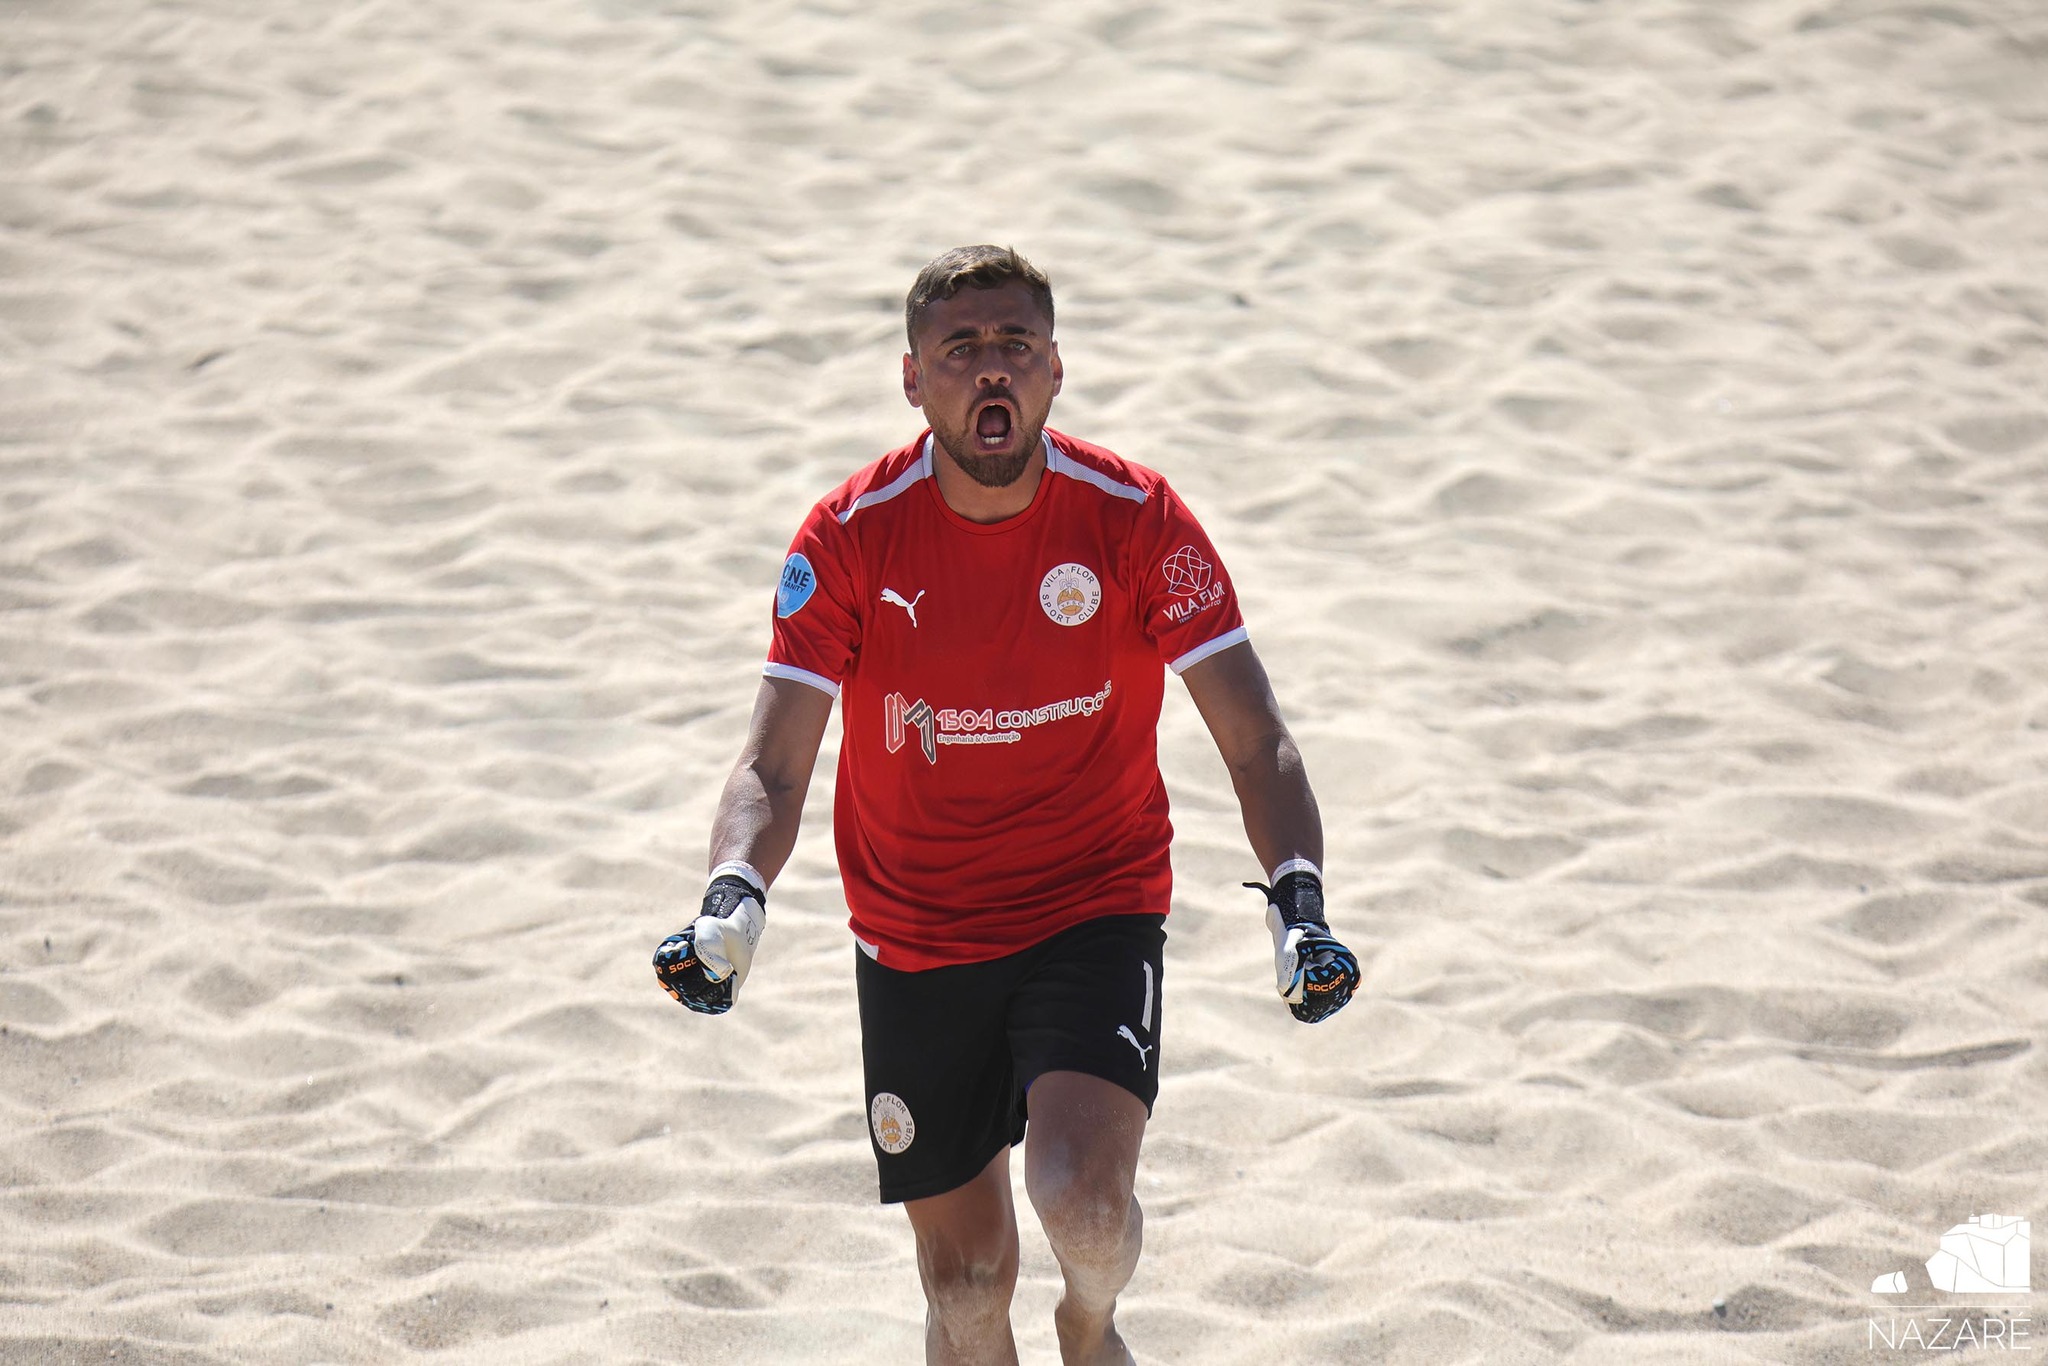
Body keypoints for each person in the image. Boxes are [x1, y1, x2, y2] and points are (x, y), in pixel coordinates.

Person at [653, 245, 1360, 1366]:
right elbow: (773, 765)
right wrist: (731, 894)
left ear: (1055, 369)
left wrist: (1299, 902)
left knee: (1085, 1205)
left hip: (1091, 904)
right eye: (960, 349)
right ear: (911, 378)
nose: (991, 370)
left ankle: (1089, 1324)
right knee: (966, 1283)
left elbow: (1252, 736)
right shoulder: (848, 535)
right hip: (916, 931)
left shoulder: (1136, 518)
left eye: (1016, 345)